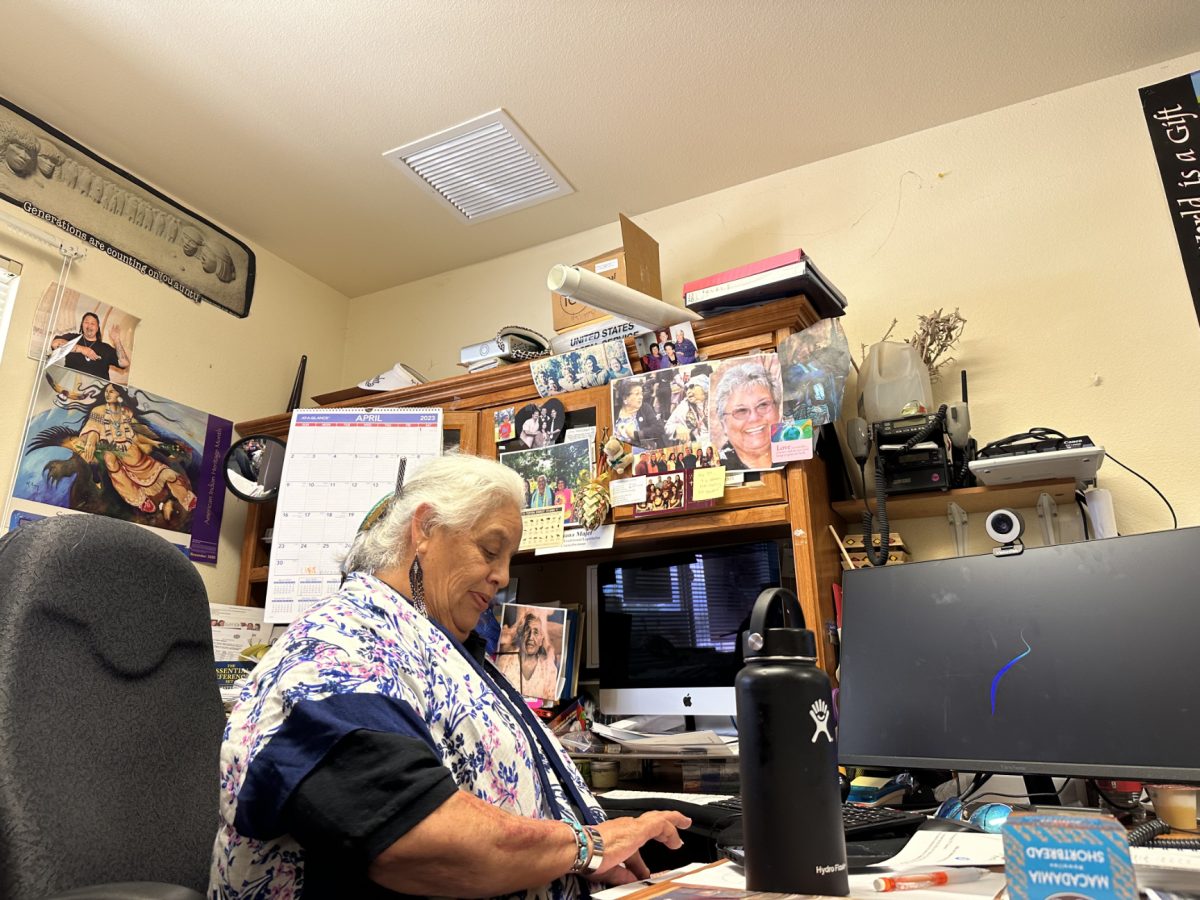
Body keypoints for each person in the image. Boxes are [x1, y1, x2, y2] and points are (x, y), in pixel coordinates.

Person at [210, 453, 690, 897]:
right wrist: (588, 847)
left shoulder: (439, 645)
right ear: (425, 529)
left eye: (508, 560)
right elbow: (419, 840)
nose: (501, 576)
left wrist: (575, 858)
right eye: (490, 550)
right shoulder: (337, 648)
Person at [78, 382, 197, 516]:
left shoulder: (127, 413)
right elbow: (94, 428)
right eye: (106, 391)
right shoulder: (99, 411)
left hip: (135, 455)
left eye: (111, 391)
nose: (107, 394)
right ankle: (140, 500)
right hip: (113, 453)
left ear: (119, 394)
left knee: (167, 474)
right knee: (109, 460)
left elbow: (136, 435)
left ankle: (185, 497)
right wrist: (91, 443)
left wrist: (156, 443)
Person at [713, 360, 782, 471]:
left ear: (778, 409)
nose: (754, 418)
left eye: (763, 405)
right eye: (741, 411)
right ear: (723, 423)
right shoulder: (716, 470)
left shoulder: (798, 449)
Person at [496, 610, 560, 700]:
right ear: (520, 635)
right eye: (527, 631)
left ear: (541, 640)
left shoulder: (549, 669)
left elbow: (548, 701)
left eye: (536, 632)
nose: (530, 637)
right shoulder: (504, 662)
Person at [49, 312, 130, 380]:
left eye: (93, 323)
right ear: (82, 325)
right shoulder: (72, 338)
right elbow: (55, 344)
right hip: (70, 388)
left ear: (97, 328)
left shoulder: (106, 348)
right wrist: (81, 349)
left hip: (96, 392)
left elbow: (124, 363)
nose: (89, 326)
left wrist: (116, 341)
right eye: (86, 322)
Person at [612, 379, 664, 448]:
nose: (641, 397)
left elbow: (659, 429)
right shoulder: (615, 411)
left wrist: (636, 434)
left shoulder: (645, 408)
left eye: (641, 393)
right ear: (625, 398)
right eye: (637, 394)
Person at [664, 374, 710, 445]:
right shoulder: (684, 405)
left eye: (691, 387)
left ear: (705, 387)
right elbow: (668, 427)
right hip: (696, 447)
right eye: (686, 389)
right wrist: (677, 428)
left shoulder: (716, 401)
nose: (688, 391)